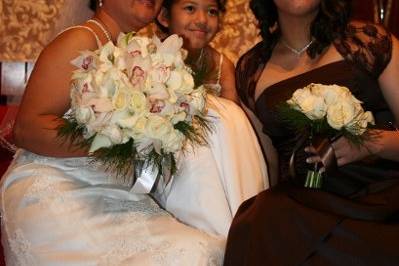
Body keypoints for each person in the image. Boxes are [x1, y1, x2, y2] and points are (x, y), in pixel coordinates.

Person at [0, 0, 229, 264]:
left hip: (112, 190)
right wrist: (116, 136)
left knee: (201, 250)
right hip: (56, 186)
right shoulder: (80, 39)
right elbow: (27, 130)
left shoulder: (142, 54)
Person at [223, 0, 399, 265]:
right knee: (260, 217)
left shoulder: (369, 41)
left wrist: (370, 143)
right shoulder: (252, 69)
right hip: (303, 208)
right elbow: (267, 167)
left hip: (383, 199)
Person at [154, 0, 268, 236]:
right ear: (164, 16)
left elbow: (231, 129)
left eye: (212, 11)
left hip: (215, 165)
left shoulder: (221, 66)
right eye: (190, 8)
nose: (202, 19)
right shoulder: (152, 59)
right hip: (168, 157)